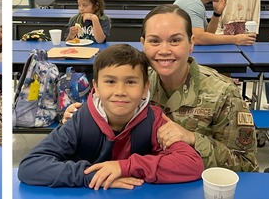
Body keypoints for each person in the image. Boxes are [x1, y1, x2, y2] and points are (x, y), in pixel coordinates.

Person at [62, 4, 258, 172]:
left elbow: (246, 165)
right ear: (143, 44)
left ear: (191, 43)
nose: (164, 50)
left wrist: (192, 139)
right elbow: (104, 115)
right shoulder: (134, 82)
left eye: (175, 40)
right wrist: (80, 119)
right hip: (140, 183)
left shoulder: (222, 93)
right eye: (155, 41)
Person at [18, 44, 204, 189]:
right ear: (96, 87)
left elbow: (192, 164)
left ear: (145, 87)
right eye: (110, 82)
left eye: (131, 82)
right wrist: (91, 176)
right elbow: (30, 167)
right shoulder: (80, 121)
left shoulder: (155, 121)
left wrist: (125, 167)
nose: (120, 91)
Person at [173, 0, 256, 45]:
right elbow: (198, 38)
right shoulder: (192, 4)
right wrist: (235, 39)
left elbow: (208, 33)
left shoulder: (196, 3)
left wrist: (217, 13)